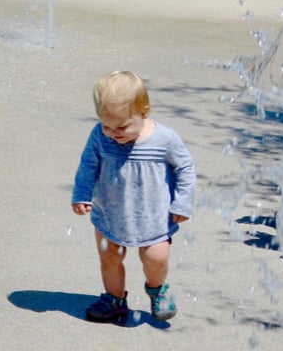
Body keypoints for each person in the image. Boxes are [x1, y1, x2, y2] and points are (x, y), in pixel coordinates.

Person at [72, 70, 196, 324]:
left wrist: (182, 202)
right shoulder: (99, 135)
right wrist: (82, 194)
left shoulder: (164, 138)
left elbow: (185, 168)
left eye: (121, 126)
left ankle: (157, 289)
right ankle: (114, 299)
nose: (113, 133)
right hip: (109, 213)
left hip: (154, 216)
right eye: (106, 125)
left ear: (144, 112)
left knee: (155, 259)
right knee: (110, 258)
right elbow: (88, 165)